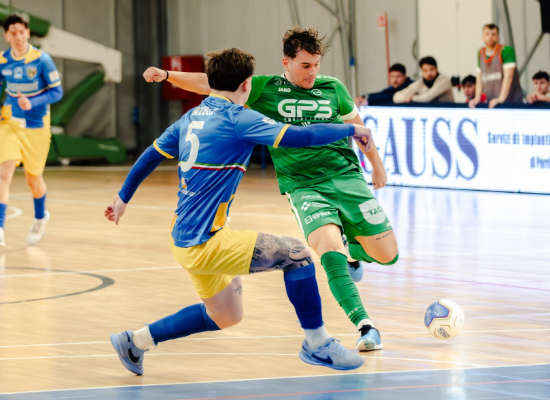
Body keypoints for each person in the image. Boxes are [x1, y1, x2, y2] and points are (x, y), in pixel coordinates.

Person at [107, 48, 375, 375]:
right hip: (205, 242)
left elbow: (151, 154)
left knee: (226, 315)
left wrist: (123, 198)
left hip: (184, 236)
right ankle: (317, 343)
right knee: (298, 255)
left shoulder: (191, 117)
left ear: (212, 81)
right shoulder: (238, 118)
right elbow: (300, 135)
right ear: (246, 85)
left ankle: (135, 341)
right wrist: (351, 129)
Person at [0, 14, 63, 247]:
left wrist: (32, 102)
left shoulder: (42, 60)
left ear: (27, 33)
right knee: (3, 174)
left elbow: (57, 92)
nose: (18, 37)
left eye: (21, 32)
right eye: (13, 33)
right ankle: (0, 228)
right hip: (10, 123)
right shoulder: (3, 61)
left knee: (34, 181)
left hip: (37, 127)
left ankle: (40, 218)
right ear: (6, 36)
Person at [469, 24, 523, 108]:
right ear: (482, 36)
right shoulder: (481, 52)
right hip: (493, 102)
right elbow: (479, 77)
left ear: (498, 36)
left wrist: (500, 99)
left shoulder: (506, 50)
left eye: (493, 34)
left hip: (512, 103)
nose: (490, 37)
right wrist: (477, 98)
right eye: (487, 34)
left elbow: (508, 77)